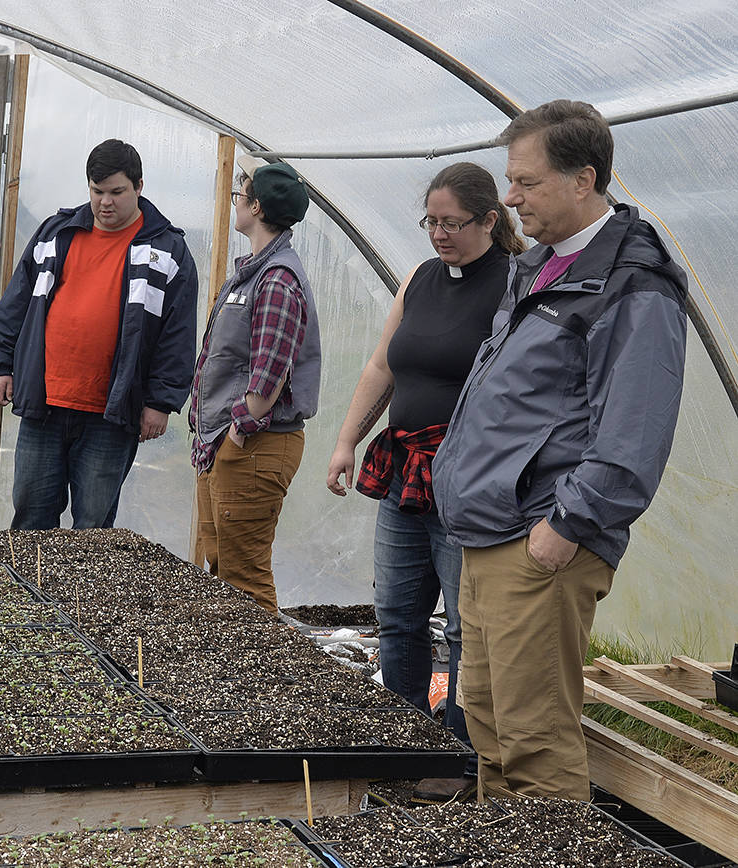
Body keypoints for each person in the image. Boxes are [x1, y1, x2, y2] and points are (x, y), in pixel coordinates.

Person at [432, 100, 688, 800]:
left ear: (584, 179)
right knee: (486, 728)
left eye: (526, 182)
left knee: (535, 746)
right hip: (489, 534)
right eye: (509, 180)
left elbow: (632, 432)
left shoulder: (632, 283)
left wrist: (565, 528)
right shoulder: (538, 267)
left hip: (541, 541)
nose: (510, 197)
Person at [325, 162, 526, 800]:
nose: (439, 234)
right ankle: (402, 737)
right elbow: (384, 363)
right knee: (398, 613)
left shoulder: (515, 285)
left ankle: (461, 754)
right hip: (405, 472)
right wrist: (345, 440)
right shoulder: (418, 279)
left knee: (466, 625)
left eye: (453, 223)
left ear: (490, 220)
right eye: (431, 222)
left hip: (468, 480)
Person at [0, 139, 198, 528]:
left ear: (139, 187)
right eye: (97, 192)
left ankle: (75, 593)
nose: (105, 202)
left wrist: (161, 401)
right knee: (30, 514)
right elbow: (15, 304)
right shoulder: (56, 233)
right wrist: (0, 364)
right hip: (43, 402)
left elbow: (177, 335)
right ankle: (31, 589)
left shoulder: (167, 251)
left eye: (117, 192)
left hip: (110, 415)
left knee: (93, 528)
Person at [189, 163, 319, 613]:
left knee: (244, 578)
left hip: (255, 443)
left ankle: (267, 676)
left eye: (239, 195)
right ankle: (231, 674)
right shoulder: (252, 271)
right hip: (227, 442)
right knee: (222, 566)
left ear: (256, 206)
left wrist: (236, 433)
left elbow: (268, 373)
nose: (236, 203)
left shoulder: (278, 280)